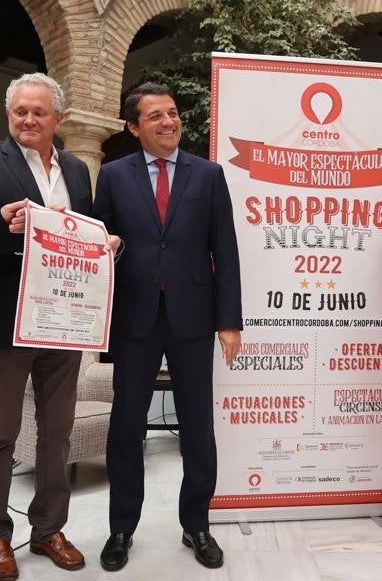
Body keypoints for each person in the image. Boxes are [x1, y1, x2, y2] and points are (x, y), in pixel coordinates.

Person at [0, 73, 104, 578]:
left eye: (39, 112)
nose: (28, 119)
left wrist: (109, 245)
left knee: (57, 433)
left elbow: (87, 233)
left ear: (58, 119)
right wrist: (3, 222)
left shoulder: (79, 170)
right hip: (6, 320)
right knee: (1, 433)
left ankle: (48, 530)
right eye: (19, 110)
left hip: (64, 321)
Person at [91, 82, 242, 572]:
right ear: (134, 127)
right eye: (155, 116)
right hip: (133, 318)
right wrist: (107, 246)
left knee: (198, 426)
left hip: (193, 318)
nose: (168, 122)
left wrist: (229, 321)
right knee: (125, 426)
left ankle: (196, 523)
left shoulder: (209, 174)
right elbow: (102, 240)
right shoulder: (113, 175)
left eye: (173, 113)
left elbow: (226, 250)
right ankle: (120, 528)